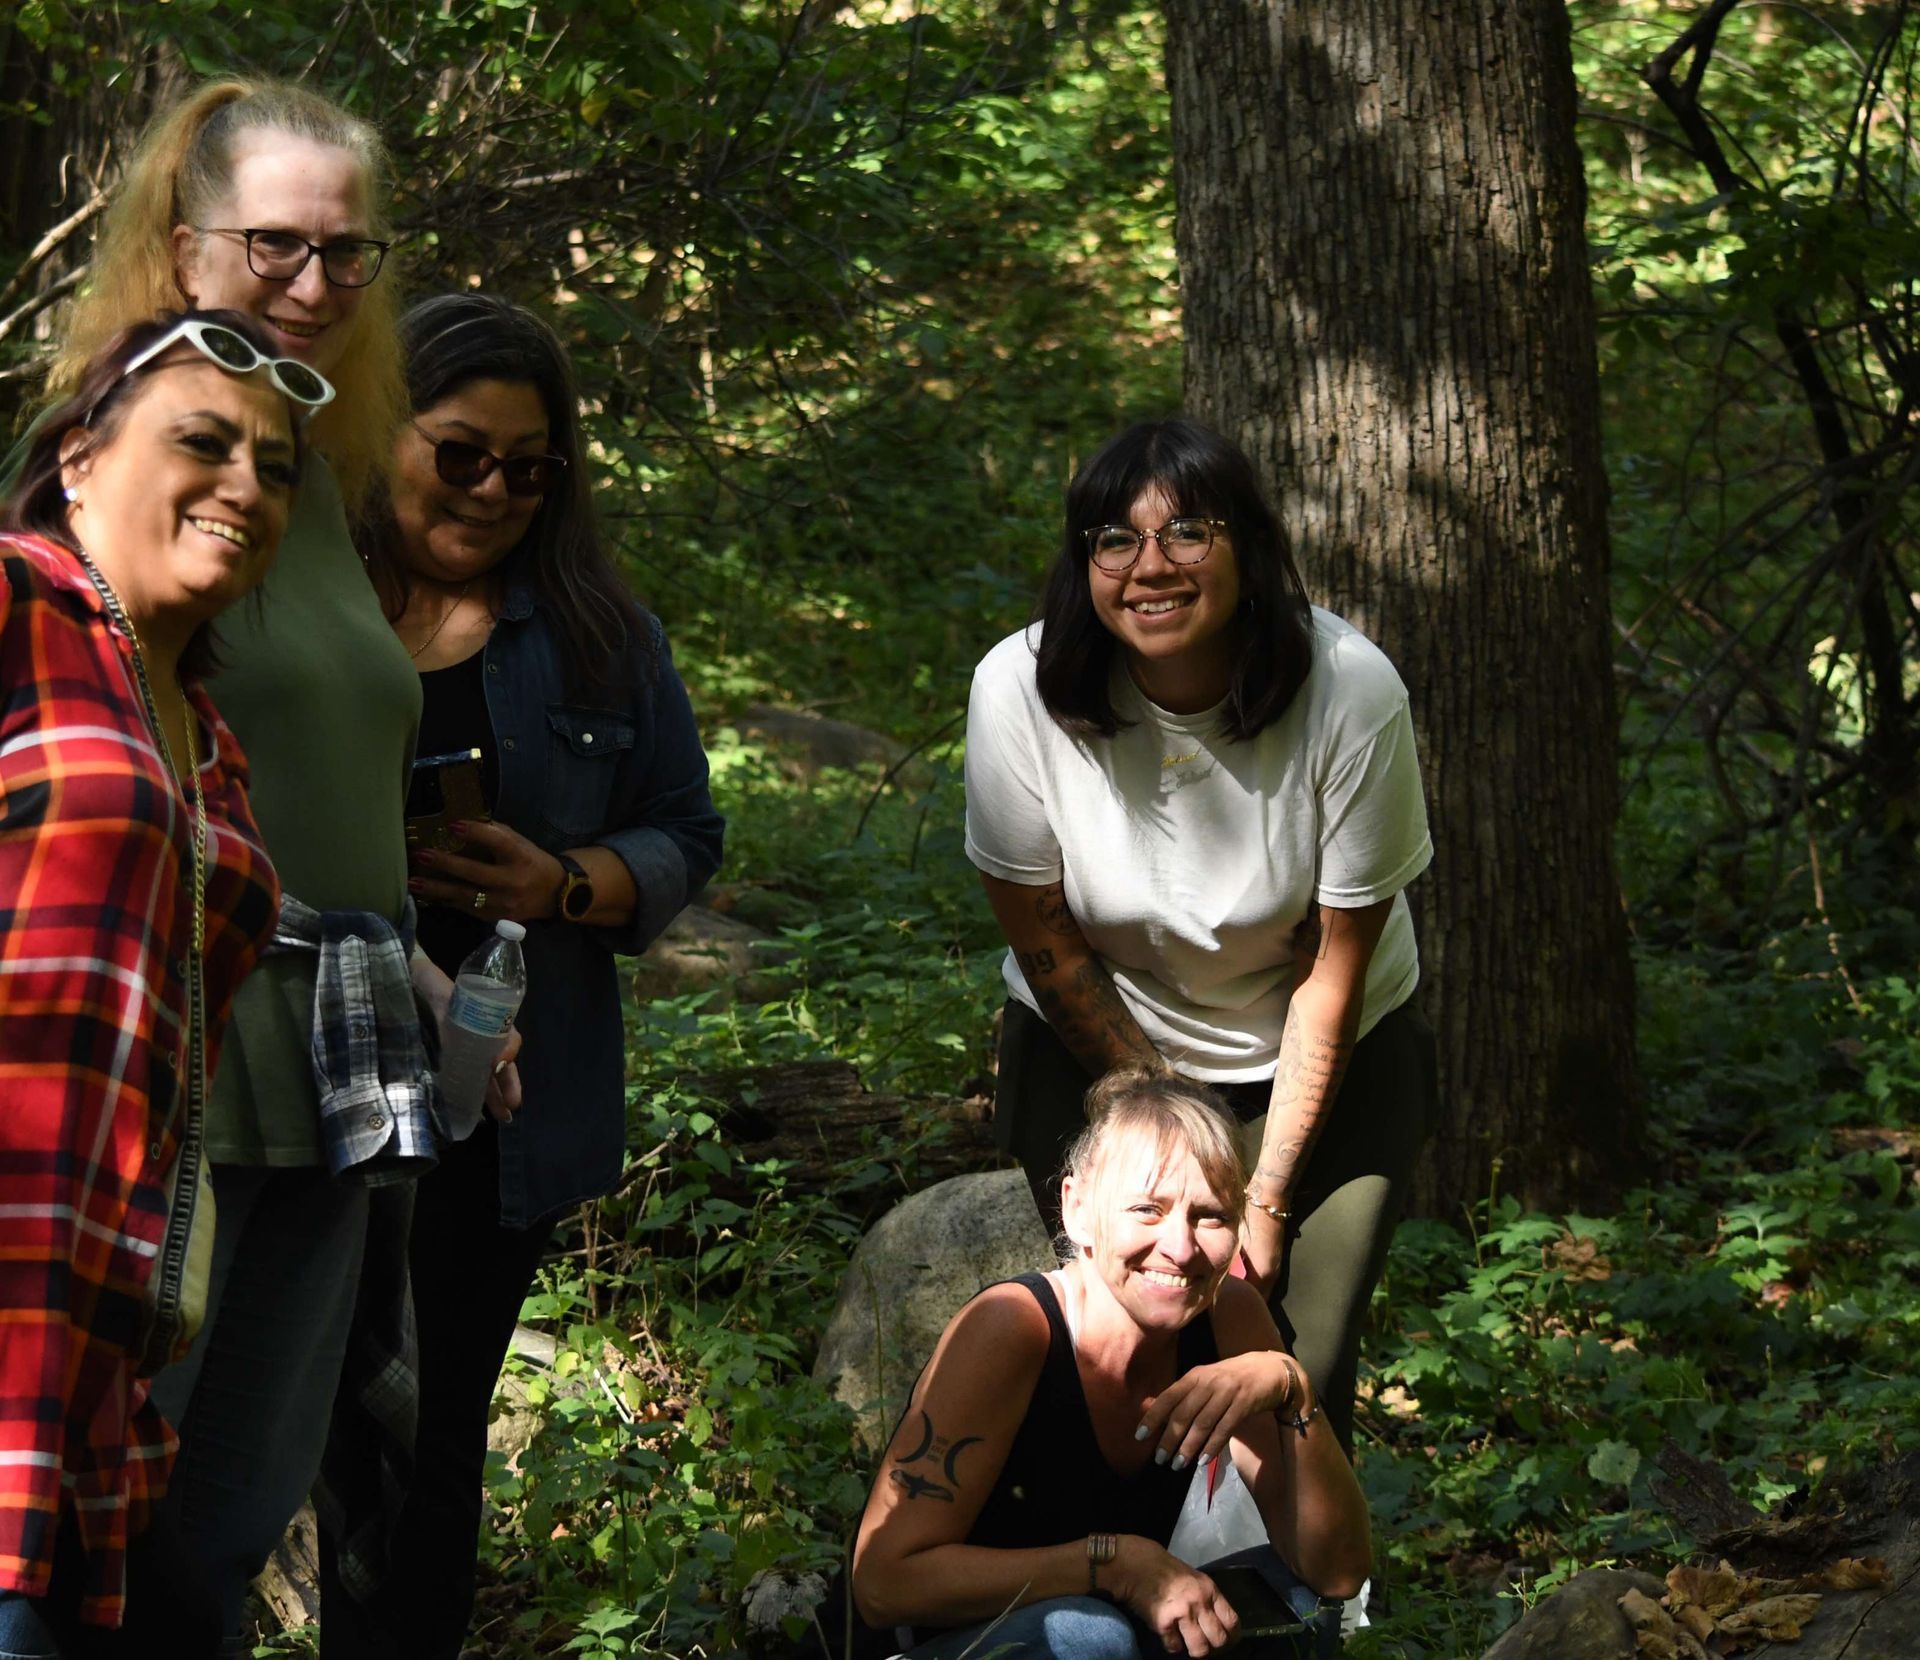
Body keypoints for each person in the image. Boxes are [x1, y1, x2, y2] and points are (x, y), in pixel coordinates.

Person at [11, 79, 465, 1651]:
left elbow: (296, 771)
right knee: (86, 1525)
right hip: (161, 1053)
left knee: (223, 1531)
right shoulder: (118, 458)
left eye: (351, 254)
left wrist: (409, 953)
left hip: (340, 1049)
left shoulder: (319, 480)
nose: (317, 285)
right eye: (276, 244)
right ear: (181, 241)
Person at [316, 291, 724, 1656]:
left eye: (531, 465)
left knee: (428, 1446)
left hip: (500, 1106)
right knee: (284, 1434)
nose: (495, 490)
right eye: (461, 452)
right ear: (385, 434)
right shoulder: (300, 599)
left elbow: (684, 825)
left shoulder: (599, 631)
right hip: (298, 1080)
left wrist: (564, 884)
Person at [963, 417, 1437, 1453]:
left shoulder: (1349, 693)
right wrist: (1169, 1136)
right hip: (1097, 1038)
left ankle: (1306, 1600)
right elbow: (1044, 937)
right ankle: (1115, 1569)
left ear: (1248, 550)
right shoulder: (1018, 692)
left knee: (1287, 1354)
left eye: (1186, 534)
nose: (1149, 567)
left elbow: (1332, 974)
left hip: (1321, 1045)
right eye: (1113, 540)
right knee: (1123, 1330)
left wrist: (1259, 1200)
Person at [0, 310, 317, 1654]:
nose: (247, 482)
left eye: (278, 464)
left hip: (96, 1328)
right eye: (204, 441)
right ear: (82, 457)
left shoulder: (212, 747)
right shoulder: (15, 595)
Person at [851, 1070, 1370, 1659]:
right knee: (1089, 1635)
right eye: (1148, 1209)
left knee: (1293, 1606)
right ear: (1076, 1209)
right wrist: (1113, 1563)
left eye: (1211, 1216)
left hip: (1113, 1622)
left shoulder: (1231, 1316)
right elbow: (883, 1586)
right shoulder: (1012, 1327)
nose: (1180, 1248)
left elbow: (1337, 1574)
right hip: (946, 1644)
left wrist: (1291, 1389)